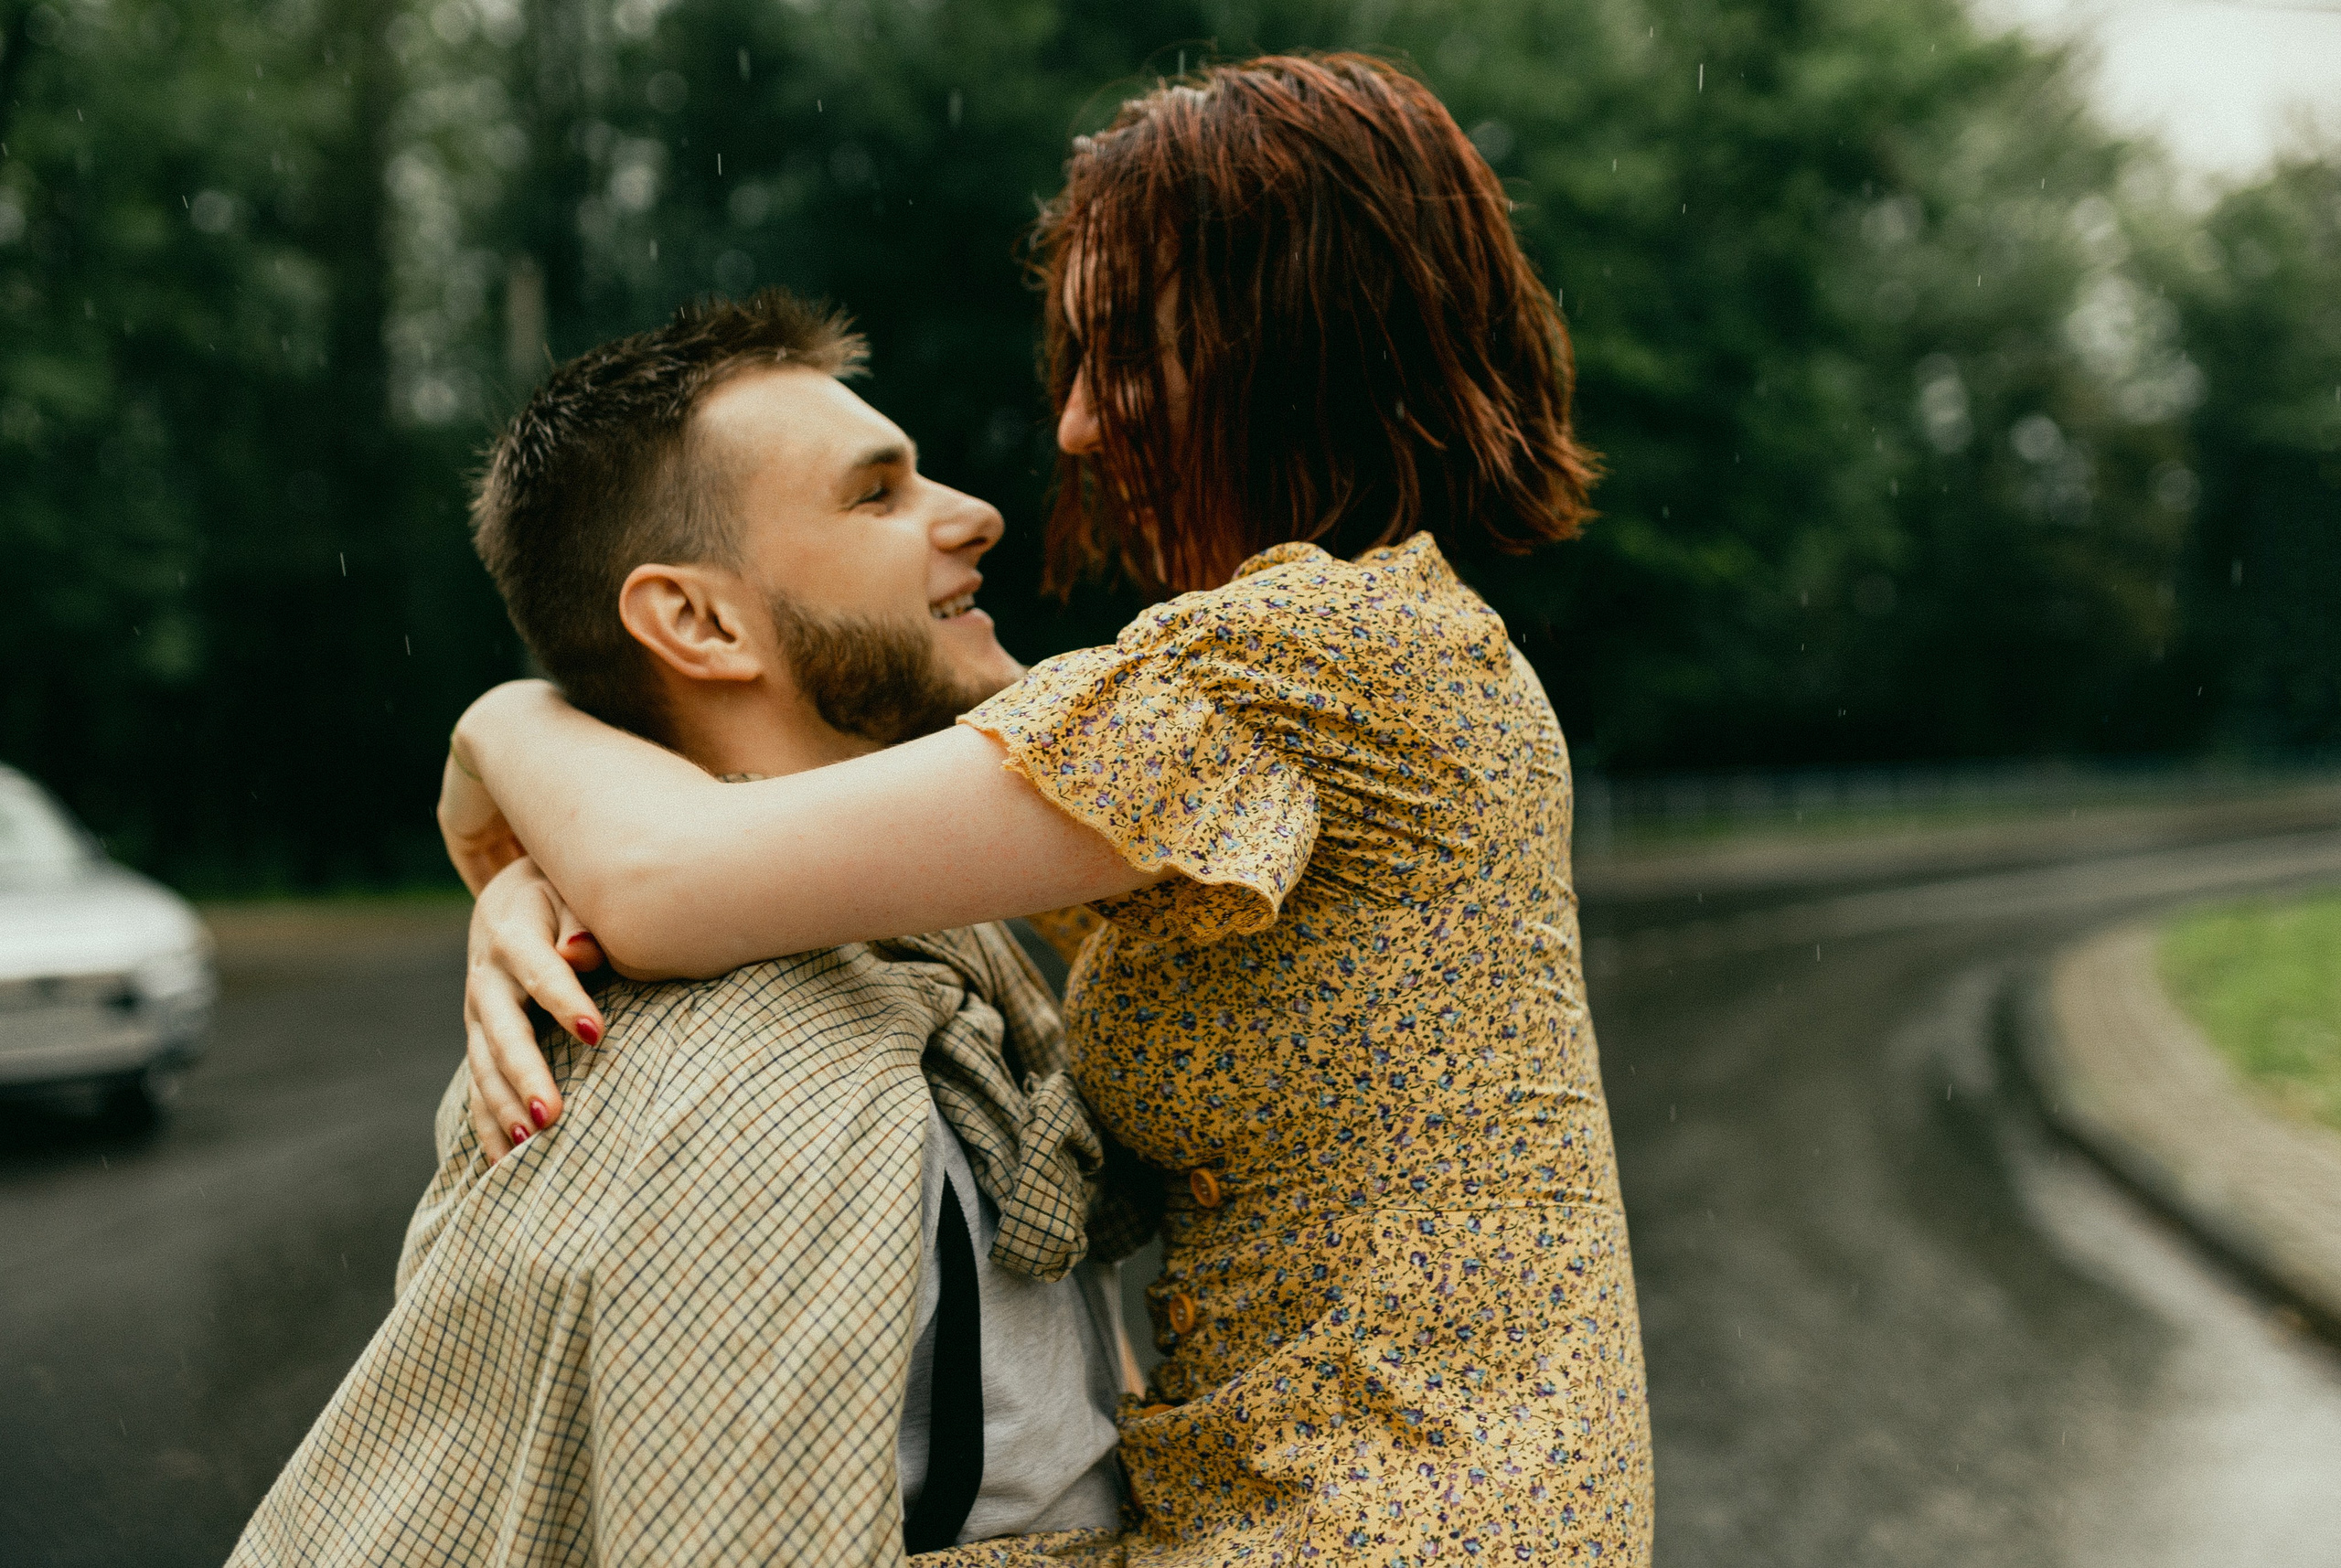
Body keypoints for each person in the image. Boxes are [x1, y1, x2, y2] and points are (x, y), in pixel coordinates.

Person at [444, 53, 1653, 1565]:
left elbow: (677, 876)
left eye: (1130, 351)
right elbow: (738, 872)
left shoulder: (1304, 664)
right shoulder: (1343, 668)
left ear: (1298, 343)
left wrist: (506, 726)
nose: (1076, 430)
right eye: (1074, 364)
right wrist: (532, 884)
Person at [231, 292, 1144, 1568]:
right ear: (699, 623)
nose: (973, 513)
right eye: (878, 495)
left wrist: (508, 735)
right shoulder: (764, 1081)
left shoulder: (912, 955)